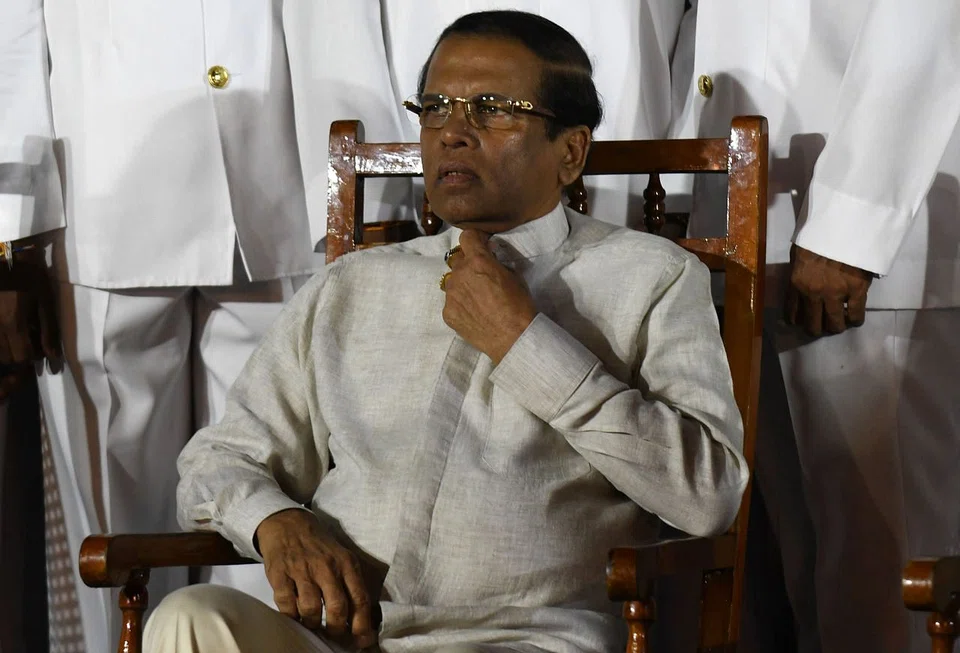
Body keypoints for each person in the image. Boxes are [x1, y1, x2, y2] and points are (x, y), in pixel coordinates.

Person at [143, 11, 748, 653]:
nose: (453, 133)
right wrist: (276, 520)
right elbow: (218, 459)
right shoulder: (353, 285)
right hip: (338, 637)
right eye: (435, 108)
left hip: (526, 640)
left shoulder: (651, 277)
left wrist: (525, 343)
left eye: (491, 109)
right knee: (190, 618)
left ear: (570, 151)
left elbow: (707, 495)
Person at [0, 2, 327, 651]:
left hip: (277, 181)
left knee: (275, 489)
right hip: (104, 193)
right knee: (113, 526)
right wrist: (10, 236)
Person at [670, 1, 960, 651]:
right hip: (747, 218)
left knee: (886, 566)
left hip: (865, 243)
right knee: (803, 569)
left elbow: (924, 22)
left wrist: (850, 228)